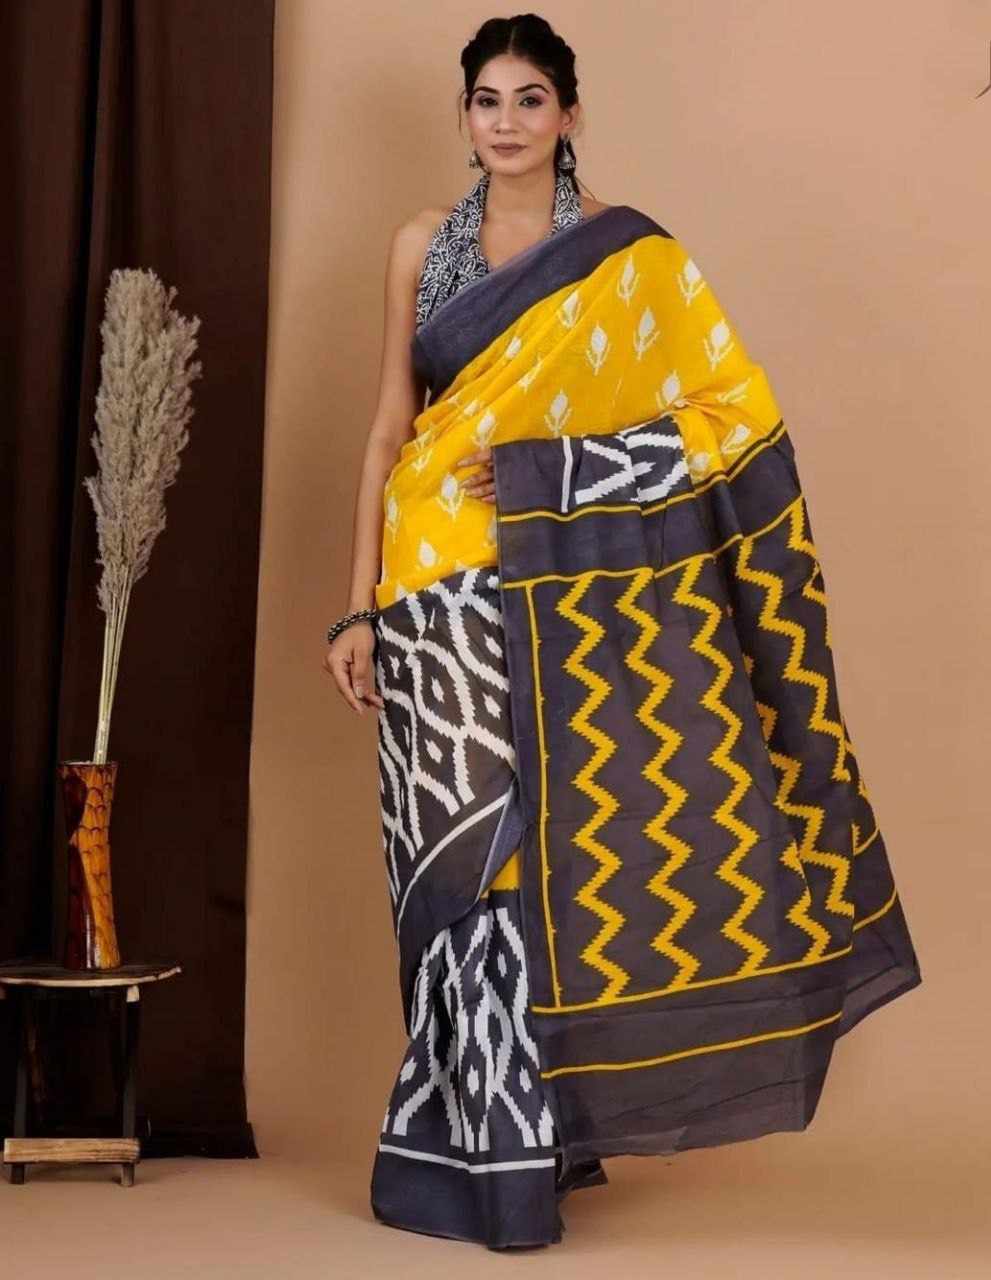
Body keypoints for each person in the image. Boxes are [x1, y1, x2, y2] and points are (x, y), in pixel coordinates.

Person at [322, 13, 922, 1253]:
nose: (504, 122)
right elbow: (388, 429)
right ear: (464, 116)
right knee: (447, 864)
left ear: (569, 114)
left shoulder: (628, 255)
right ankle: (469, 1147)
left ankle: (518, 1160)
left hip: (550, 592)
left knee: (524, 863)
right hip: (429, 586)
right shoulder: (419, 245)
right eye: (484, 100)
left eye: (529, 99)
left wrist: (549, 471)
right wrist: (359, 601)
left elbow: (729, 419)